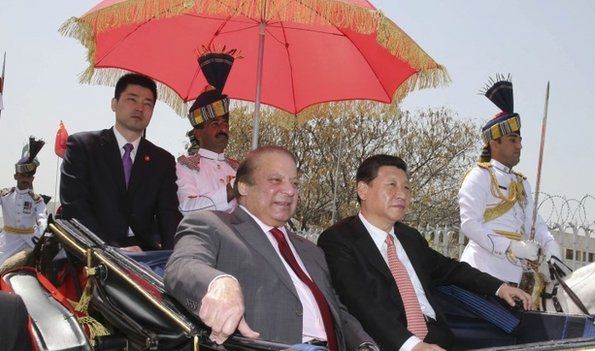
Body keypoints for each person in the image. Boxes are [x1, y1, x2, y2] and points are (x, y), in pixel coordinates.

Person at [165, 146, 377, 350]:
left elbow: (337, 311)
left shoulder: (312, 251)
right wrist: (217, 283)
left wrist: (364, 344)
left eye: (294, 183)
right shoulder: (212, 225)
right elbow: (182, 266)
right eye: (276, 180)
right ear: (243, 186)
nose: (289, 190)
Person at [318, 154, 532, 351]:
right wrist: (412, 345)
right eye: (391, 185)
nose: (401, 194)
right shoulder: (339, 240)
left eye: (406, 188)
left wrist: (499, 287)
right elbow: (362, 304)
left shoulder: (409, 238)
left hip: (438, 337)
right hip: (386, 342)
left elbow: (451, 269)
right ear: (363, 190)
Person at [60, 73, 181, 251]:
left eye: (148, 103)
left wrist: (175, 260)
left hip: (144, 255)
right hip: (89, 252)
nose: (140, 108)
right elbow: (75, 209)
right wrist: (111, 250)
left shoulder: (163, 160)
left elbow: (168, 215)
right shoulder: (83, 147)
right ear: (114, 104)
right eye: (132, 99)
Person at [458, 76, 561, 285]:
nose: (519, 146)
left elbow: (535, 223)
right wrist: (510, 246)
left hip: (517, 275)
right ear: (494, 144)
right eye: (513, 140)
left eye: (520, 141)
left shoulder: (522, 183)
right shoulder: (479, 176)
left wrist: (550, 245)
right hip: (482, 272)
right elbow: (470, 224)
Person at [176, 51, 238, 213]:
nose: (222, 128)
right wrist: (230, 191)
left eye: (225, 123)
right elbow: (187, 207)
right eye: (214, 123)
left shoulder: (238, 169)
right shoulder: (187, 166)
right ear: (198, 133)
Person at [0, 137, 47, 265]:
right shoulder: (4, 195)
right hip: (6, 242)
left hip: (30, 241)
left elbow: (43, 219)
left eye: (30, 177)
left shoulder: (37, 200)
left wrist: (42, 234)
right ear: (16, 176)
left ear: (33, 179)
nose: (26, 179)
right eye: (23, 176)